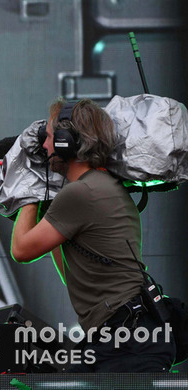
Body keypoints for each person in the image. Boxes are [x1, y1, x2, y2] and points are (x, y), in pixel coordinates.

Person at [11, 98, 175, 372]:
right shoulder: (98, 186)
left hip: (125, 340)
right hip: (126, 334)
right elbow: (72, 274)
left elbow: (21, 250)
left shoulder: (81, 193)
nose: (44, 146)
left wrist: (27, 186)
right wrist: (47, 197)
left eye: (50, 138)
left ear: (67, 143)